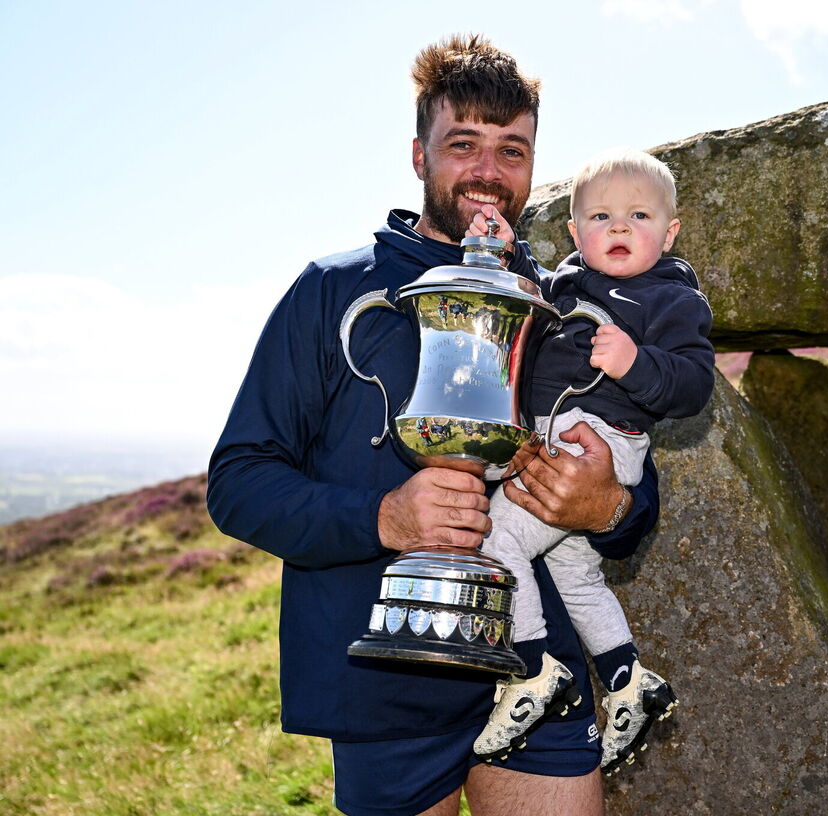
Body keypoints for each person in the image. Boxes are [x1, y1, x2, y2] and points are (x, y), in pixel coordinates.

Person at [206, 35, 660, 816]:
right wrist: (383, 517)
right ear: (419, 155)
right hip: (385, 683)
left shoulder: (563, 303)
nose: (488, 170)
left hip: (535, 675)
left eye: (511, 149)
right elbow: (239, 482)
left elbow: (635, 484)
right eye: (463, 144)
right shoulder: (332, 292)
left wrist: (610, 506)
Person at [466, 149, 713, 776]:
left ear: (670, 233)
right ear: (575, 234)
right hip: (553, 435)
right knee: (575, 574)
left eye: (639, 215)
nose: (620, 226)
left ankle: (531, 670)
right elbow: (531, 297)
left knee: (495, 537)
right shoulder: (567, 285)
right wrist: (502, 252)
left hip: (599, 439)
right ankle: (628, 682)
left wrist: (635, 363)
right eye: (601, 216)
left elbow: (693, 386)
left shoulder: (671, 299)